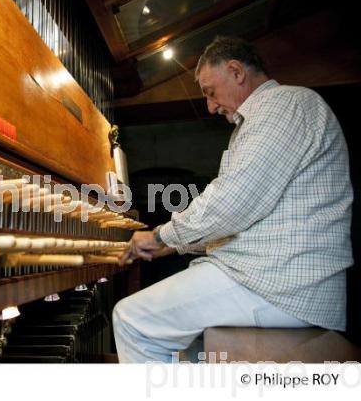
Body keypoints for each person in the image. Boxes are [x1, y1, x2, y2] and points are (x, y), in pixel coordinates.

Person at [113, 36, 353, 363]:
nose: (211, 106)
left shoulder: (283, 104)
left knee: (132, 320)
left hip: (280, 283)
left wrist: (159, 236)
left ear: (236, 71)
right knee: (185, 348)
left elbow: (233, 203)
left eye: (210, 92)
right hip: (276, 277)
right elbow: (246, 216)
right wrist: (172, 245)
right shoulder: (269, 116)